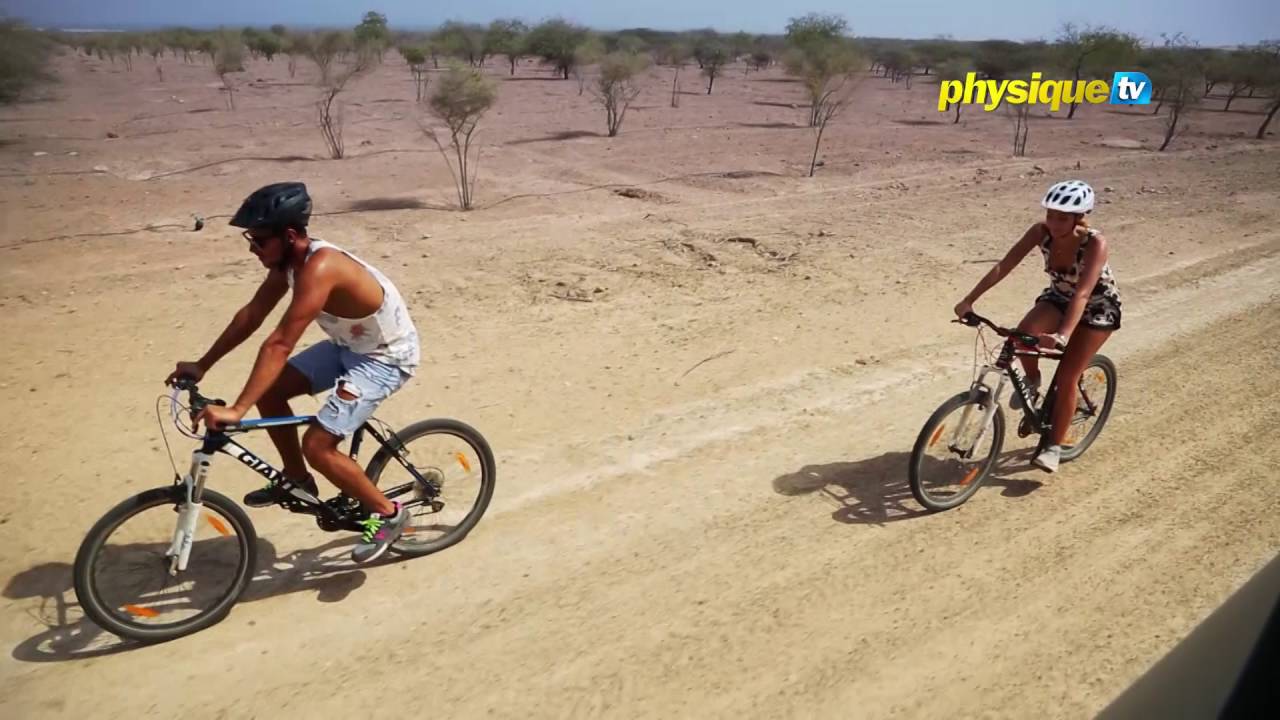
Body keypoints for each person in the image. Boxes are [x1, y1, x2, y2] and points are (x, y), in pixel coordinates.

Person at [165, 182, 421, 562]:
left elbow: (279, 343)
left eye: (259, 240)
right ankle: (297, 480)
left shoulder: (321, 267)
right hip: (348, 346)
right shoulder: (288, 264)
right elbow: (252, 315)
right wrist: (202, 364)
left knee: (318, 446)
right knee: (270, 392)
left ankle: (389, 514)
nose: (253, 248)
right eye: (250, 240)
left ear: (288, 236)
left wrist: (236, 410)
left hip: (384, 358)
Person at [953, 179, 1121, 473]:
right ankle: (1033, 381)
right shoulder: (1040, 232)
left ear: (1078, 218)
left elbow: (1083, 293)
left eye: (1062, 218)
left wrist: (1062, 335)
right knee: (1022, 335)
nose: (1053, 224)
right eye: (1050, 215)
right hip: (1059, 298)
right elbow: (1004, 265)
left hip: (1097, 308)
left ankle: (1053, 446)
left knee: (1068, 376)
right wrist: (969, 300)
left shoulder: (1095, 243)